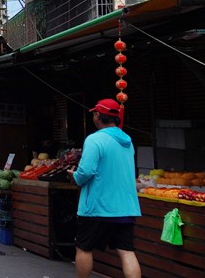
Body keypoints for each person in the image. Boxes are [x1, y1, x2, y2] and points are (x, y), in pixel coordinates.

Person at [68, 99, 142, 278]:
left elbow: (85, 171)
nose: (93, 115)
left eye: (94, 113)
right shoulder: (127, 141)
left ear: (98, 116)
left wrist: (74, 176)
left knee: (84, 248)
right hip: (125, 207)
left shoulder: (95, 139)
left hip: (96, 206)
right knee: (126, 251)